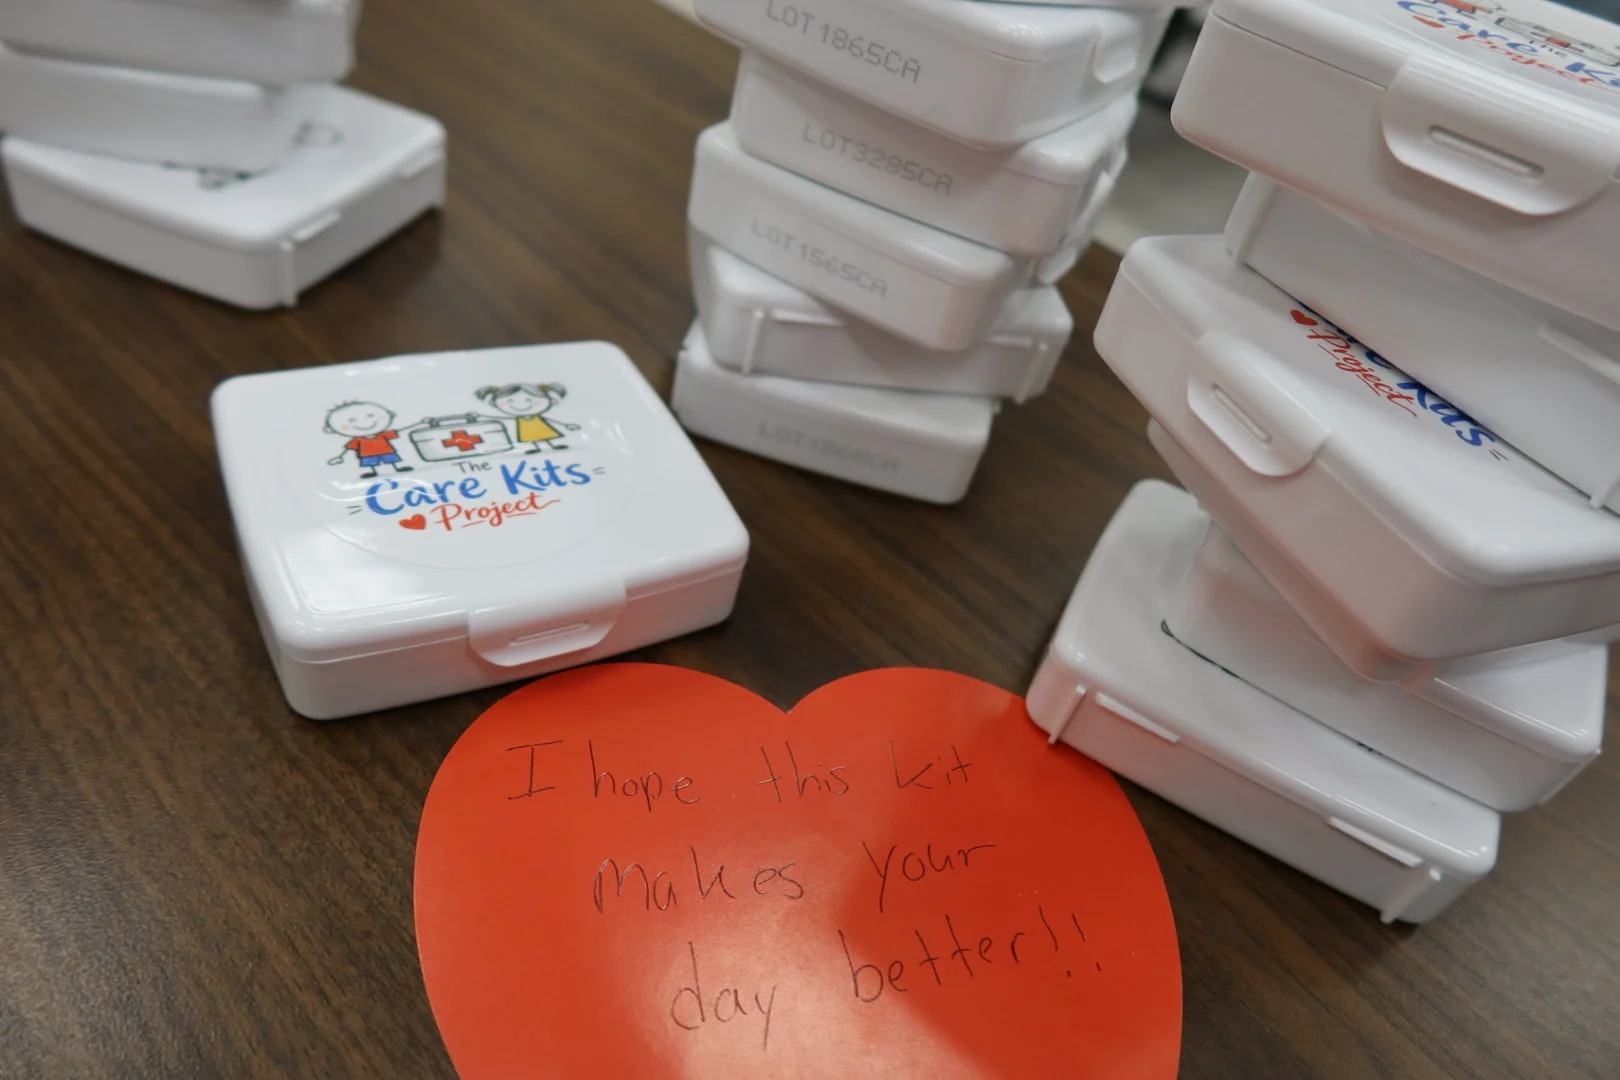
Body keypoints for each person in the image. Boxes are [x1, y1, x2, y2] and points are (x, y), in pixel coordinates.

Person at [473, 383, 581, 453]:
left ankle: (551, 445)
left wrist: (565, 425)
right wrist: (481, 416)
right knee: (531, 437)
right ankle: (536, 447)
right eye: (510, 401)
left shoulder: (537, 416)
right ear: (494, 402)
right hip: (527, 429)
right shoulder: (518, 418)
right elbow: (502, 418)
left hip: (539, 426)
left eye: (529, 400)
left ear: (549, 399)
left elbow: (550, 420)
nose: (521, 405)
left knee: (545, 434)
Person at [324, 401, 417, 479]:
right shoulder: (358, 439)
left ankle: (397, 468)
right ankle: (373, 472)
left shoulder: (382, 435)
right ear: (331, 429)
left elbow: (401, 430)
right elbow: (348, 448)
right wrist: (340, 457)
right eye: (352, 420)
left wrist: (420, 423)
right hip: (368, 454)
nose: (364, 423)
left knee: (391, 460)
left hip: (386, 451)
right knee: (371, 463)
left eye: (370, 416)